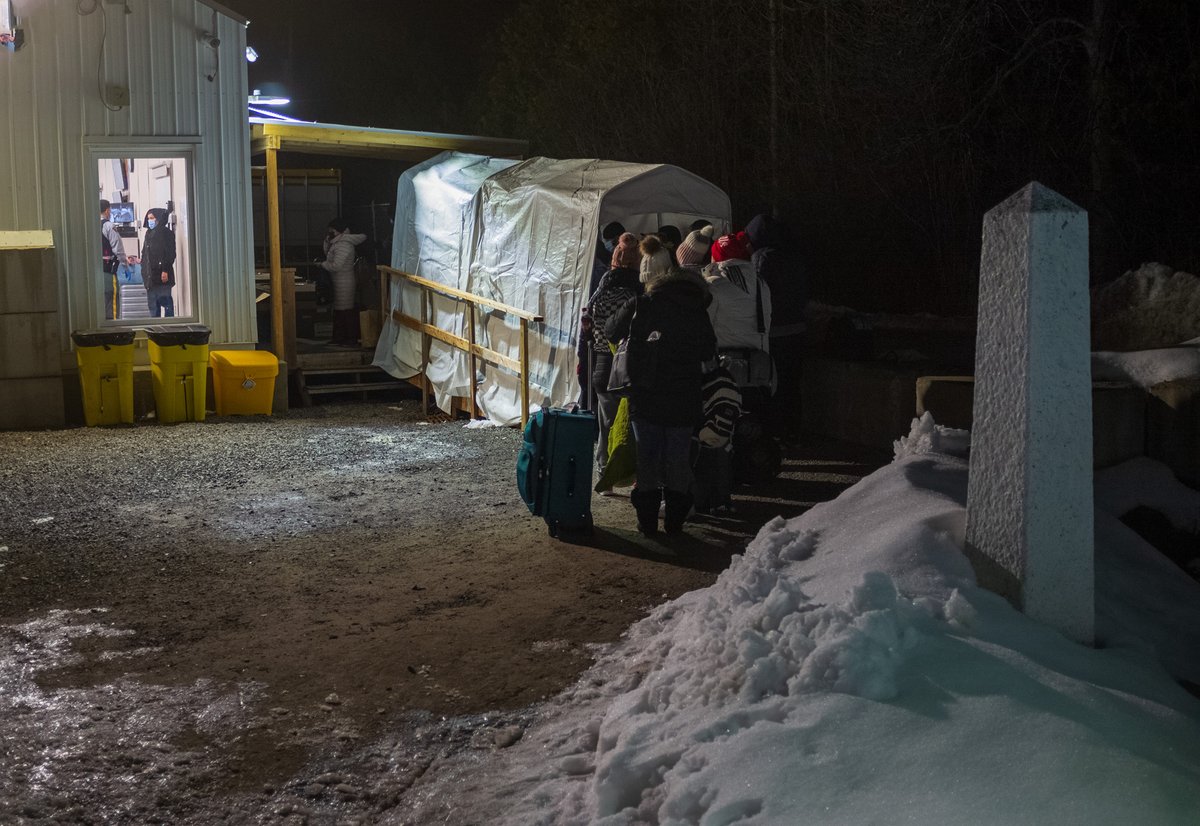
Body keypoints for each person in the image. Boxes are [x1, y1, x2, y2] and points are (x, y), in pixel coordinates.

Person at [606, 235, 716, 536]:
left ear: (648, 276)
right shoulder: (696, 306)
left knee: (648, 459)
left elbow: (610, 329)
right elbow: (708, 350)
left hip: (647, 395)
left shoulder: (642, 304)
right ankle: (675, 524)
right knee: (678, 460)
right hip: (685, 396)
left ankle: (647, 523)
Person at [587, 232, 642, 481]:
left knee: (606, 422)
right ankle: (630, 474)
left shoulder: (600, 292)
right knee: (630, 427)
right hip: (627, 368)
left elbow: (588, 328)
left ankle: (604, 472)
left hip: (601, 364)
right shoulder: (634, 294)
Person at [746, 213, 807, 440]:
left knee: (773, 385)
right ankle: (794, 432)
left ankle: (775, 434)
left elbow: (759, 295)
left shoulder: (761, 259)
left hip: (775, 332)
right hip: (797, 329)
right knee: (792, 385)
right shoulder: (794, 257)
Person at [579, 220, 627, 407]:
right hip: (618, 359)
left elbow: (593, 320)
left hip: (603, 355)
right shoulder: (634, 293)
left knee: (605, 414)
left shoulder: (604, 289)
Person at [703, 230, 772, 352]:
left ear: (717, 257)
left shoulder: (714, 285)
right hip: (758, 361)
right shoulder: (761, 283)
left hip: (727, 362)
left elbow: (703, 326)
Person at [321, 217, 367, 347]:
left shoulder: (344, 244)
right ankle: (341, 338)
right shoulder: (337, 242)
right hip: (340, 281)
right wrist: (327, 241)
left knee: (345, 310)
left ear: (338, 231)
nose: (330, 233)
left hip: (344, 281)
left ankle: (347, 338)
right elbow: (328, 253)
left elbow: (336, 265)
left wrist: (322, 264)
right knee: (341, 310)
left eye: (331, 231)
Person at [141, 207, 176, 318]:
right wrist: (141, 261)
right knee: (153, 307)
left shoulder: (166, 233)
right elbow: (145, 252)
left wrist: (165, 270)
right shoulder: (148, 233)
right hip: (150, 277)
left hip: (162, 276)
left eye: (152, 218)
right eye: (148, 218)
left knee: (166, 304)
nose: (150, 220)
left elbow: (170, 254)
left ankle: (169, 329)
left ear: (158, 219)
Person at [100, 200, 128, 320]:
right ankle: (115, 331)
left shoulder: (88, 226)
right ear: (107, 210)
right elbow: (118, 248)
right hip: (108, 271)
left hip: (93, 273)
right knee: (112, 302)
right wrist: (125, 263)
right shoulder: (108, 226)